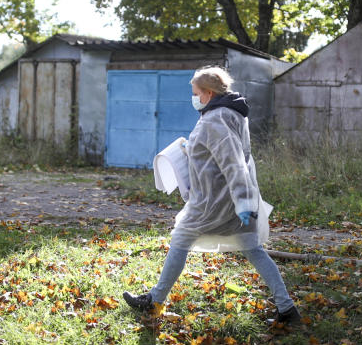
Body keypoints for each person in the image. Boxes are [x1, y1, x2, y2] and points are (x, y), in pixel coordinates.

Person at [122, 66, 301, 326]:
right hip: (232, 197)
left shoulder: (216, 118)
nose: (193, 97)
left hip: (216, 199)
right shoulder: (231, 113)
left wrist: (243, 201)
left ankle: (155, 300)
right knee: (254, 250)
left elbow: (233, 162)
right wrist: (190, 148)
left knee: (181, 237)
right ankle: (287, 309)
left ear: (208, 92)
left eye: (196, 93)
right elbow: (223, 153)